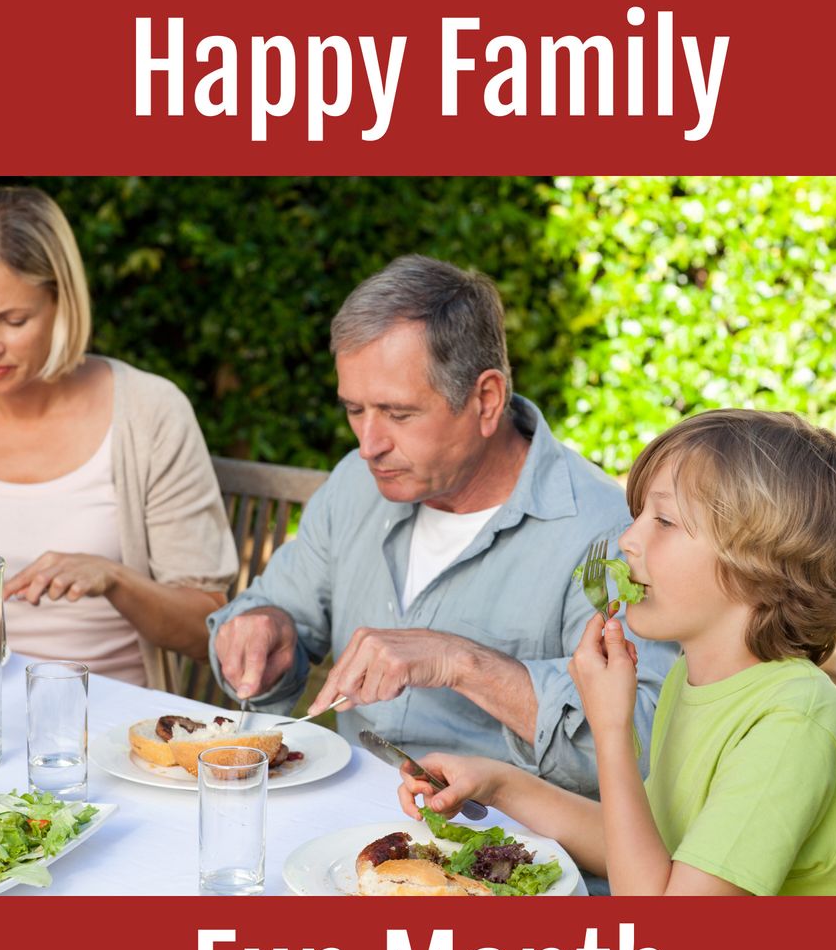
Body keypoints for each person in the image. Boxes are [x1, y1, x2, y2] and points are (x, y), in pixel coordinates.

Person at [208, 254, 676, 795]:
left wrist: (462, 663)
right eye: (354, 410)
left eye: (399, 414)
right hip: (338, 826)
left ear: (486, 400)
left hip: (504, 858)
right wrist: (266, 632)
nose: (368, 444)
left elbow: (644, 748)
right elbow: (277, 615)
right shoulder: (355, 484)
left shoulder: (603, 535)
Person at [398, 409, 836, 895]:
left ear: (761, 566)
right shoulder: (690, 681)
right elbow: (639, 850)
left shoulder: (794, 722)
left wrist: (611, 730)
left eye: (664, 521)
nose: (627, 540)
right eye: (638, 517)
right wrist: (499, 785)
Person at [0, 186, 238, 688]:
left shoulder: (151, 413)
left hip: (108, 726)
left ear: (64, 305)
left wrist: (115, 579)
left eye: (14, 320)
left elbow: (208, 630)